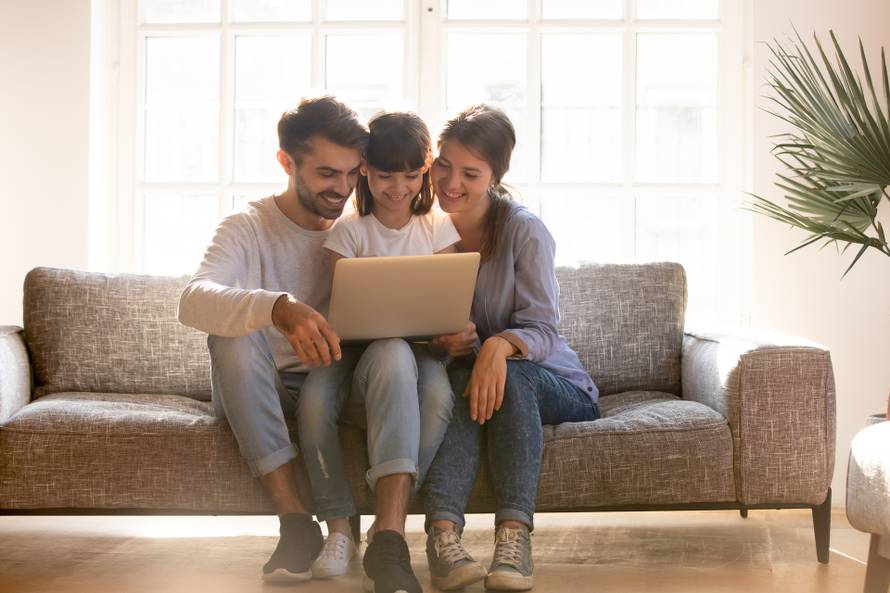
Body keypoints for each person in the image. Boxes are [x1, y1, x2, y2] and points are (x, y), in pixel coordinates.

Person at [178, 96, 459, 593]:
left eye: (353, 173)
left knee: (395, 355)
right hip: (266, 388)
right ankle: (295, 527)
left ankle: (388, 538)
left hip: (350, 384)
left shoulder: (365, 231)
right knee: (232, 341)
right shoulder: (248, 227)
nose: (344, 188)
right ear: (287, 162)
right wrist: (277, 308)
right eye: (329, 173)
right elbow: (194, 300)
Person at [420, 105, 601, 592]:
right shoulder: (426, 231)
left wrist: (498, 345)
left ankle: (514, 538)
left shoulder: (524, 230)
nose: (451, 182)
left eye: (470, 173)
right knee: (454, 383)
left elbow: (543, 328)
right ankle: (443, 539)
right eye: (444, 165)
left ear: (495, 176)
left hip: (555, 383)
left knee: (510, 375)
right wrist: (442, 341)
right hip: (473, 378)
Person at [295, 112, 463, 583]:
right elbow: (337, 310)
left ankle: (388, 523)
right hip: (353, 350)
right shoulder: (349, 232)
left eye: (411, 175)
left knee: (437, 399)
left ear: (426, 167)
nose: (398, 187)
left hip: (423, 349)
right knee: (312, 403)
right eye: (387, 175)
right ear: (365, 169)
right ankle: (338, 528)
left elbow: (449, 303)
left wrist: (454, 331)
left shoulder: (436, 228)